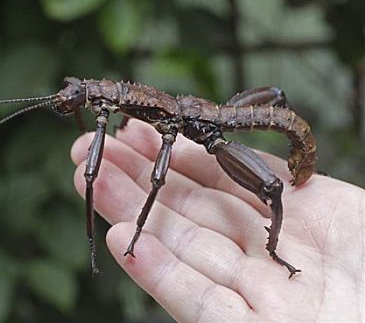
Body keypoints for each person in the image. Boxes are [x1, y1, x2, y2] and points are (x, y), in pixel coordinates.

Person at [70, 118, 364, 323]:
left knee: (272, 188)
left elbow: (156, 180)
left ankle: (273, 250)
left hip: (217, 120)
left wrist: (137, 231)